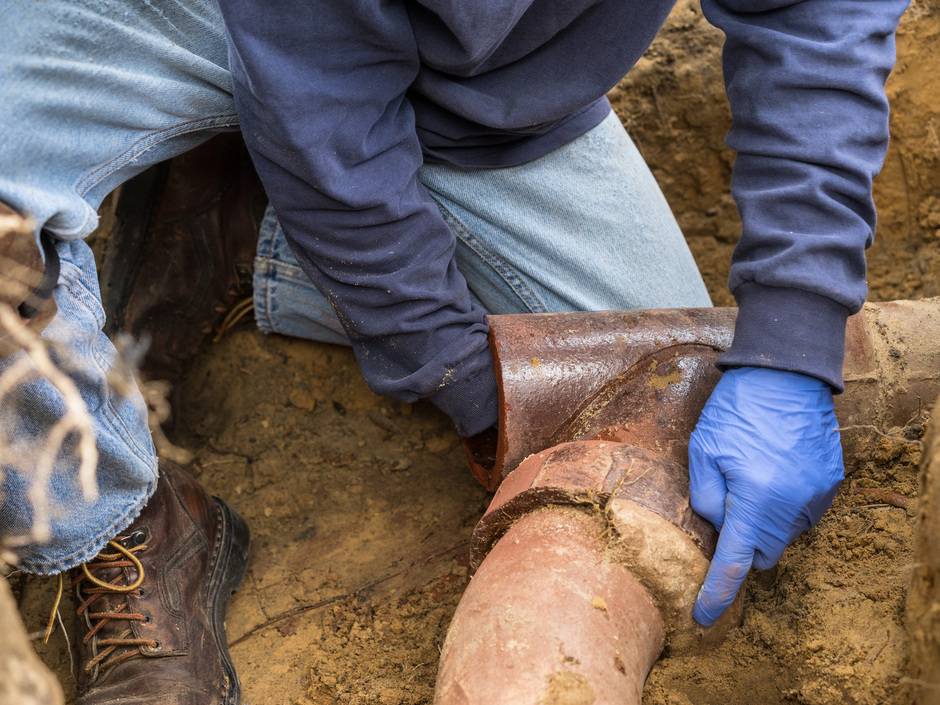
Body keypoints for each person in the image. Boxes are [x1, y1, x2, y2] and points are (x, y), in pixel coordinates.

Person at [0, 0, 907, 702]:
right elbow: (329, 124)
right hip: (167, 18)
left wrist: (795, 334)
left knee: (654, 394)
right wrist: (471, 385)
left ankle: (246, 229)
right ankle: (122, 521)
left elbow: (818, 20)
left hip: (473, 81)